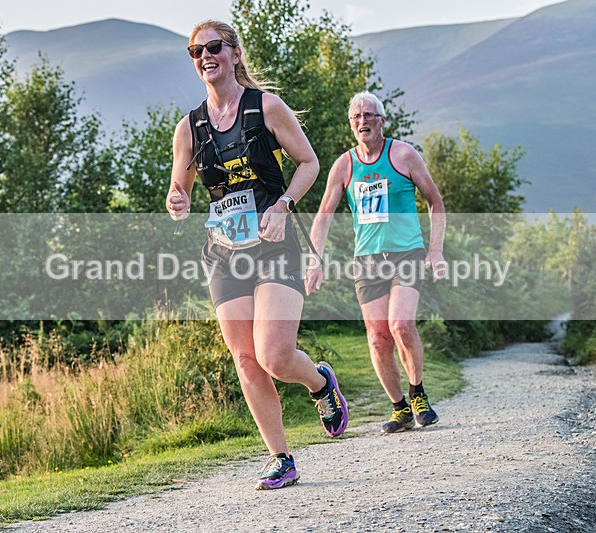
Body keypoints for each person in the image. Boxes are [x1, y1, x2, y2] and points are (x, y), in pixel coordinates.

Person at [166, 20, 348, 490]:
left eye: (213, 47)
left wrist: (285, 204)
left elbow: (309, 162)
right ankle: (281, 457)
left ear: (234, 52)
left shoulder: (266, 106)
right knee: (245, 359)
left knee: (275, 355)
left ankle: (320, 384)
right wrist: (177, 200)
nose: (205, 56)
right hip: (224, 252)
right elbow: (179, 188)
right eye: (195, 51)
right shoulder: (189, 127)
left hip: (273, 244)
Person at [305, 91, 446, 434]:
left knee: (400, 325)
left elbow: (436, 202)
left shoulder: (403, 155)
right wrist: (315, 259)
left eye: (369, 115)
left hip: (406, 254)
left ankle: (418, 392)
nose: (363, 121)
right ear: (351, 125)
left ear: (382, 121)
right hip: (367, 262)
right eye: (356, 117)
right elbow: (323, 217)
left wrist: (435, 250)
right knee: (377, 337)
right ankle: (399, 408)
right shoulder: (344, 166)